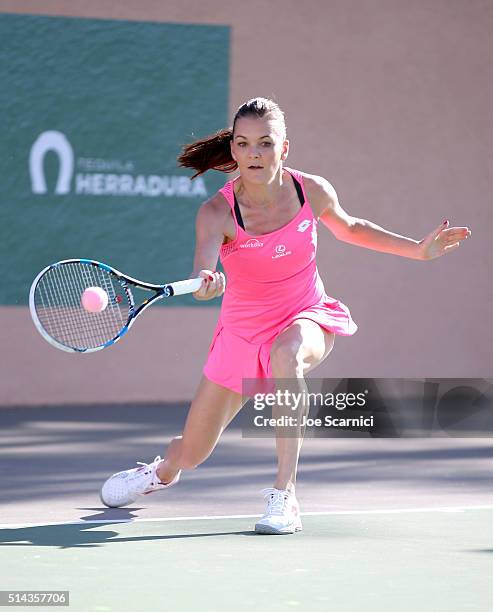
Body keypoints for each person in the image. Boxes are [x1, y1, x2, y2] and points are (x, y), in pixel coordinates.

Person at [100, 97, 471, 535]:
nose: (254, 153)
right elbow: (204, 271)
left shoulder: (311, 190)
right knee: (192, 451)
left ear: (284, 149)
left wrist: (417, 249)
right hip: (240, 334)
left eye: (265, 143)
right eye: (243, 144)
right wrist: (207, 281)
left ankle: (285, 493)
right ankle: (160, 472)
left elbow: (350, 228)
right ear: (234, 151)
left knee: (287, 354)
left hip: (306, 314)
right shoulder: (216, 213)